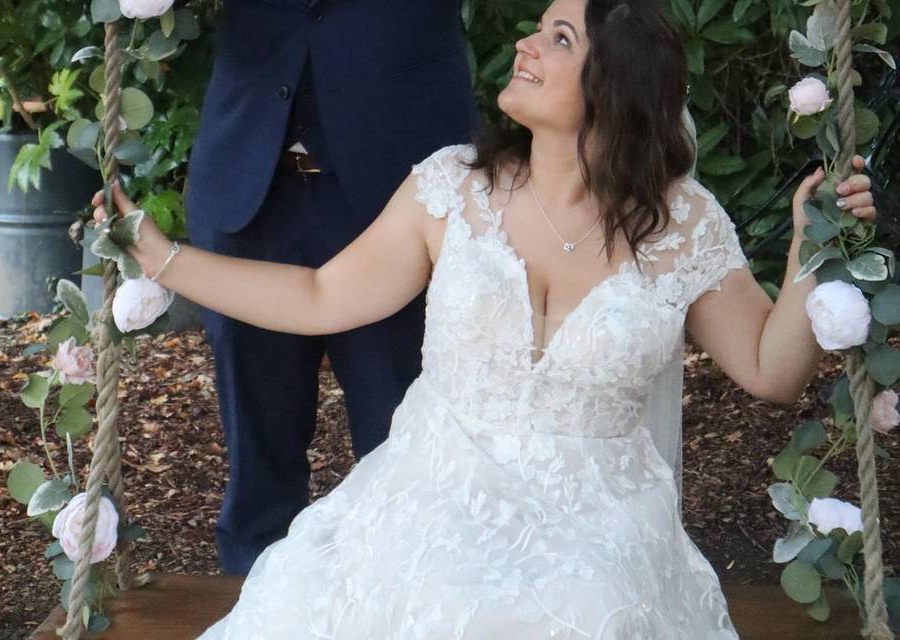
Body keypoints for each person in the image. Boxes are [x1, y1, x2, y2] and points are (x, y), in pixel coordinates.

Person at [94, 0, 877, 635]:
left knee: (575, 614)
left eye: (559, 37)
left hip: (596, 525)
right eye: (537, 28)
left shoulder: (684, 227)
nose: (525, 46)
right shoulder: (454, 190)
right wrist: (166, 259)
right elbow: (320, 296)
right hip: (432, 496)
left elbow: (772, 371)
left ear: (617, 88)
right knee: (422, 599)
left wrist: (815, 249)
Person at [183, 0, 479, 574]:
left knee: (400, 436)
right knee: (257, 449)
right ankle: (256, 602)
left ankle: (405, 603)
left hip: (398, 194)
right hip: (250, 183)